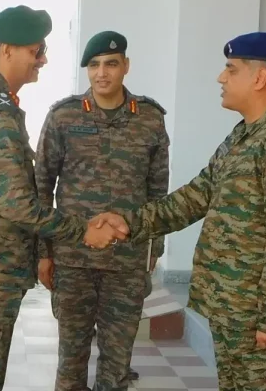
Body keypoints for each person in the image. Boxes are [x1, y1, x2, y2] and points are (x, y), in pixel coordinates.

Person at [95, 31, 266, 391]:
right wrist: (129, 222)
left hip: (257, 316)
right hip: (232, 310)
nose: (221, 77)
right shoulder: (244, 136)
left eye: (231, 70)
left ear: (259, 78)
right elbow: (194, 197)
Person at [0, 6, 127, 391]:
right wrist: (81, 231)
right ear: (7, 49)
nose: (43, 60)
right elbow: (16, 204)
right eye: (36, 51)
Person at [35, 30, 170, 391]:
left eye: (111, 63)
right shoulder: (64, 117)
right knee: (71, 358)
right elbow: (41, 188)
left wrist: (152, 250)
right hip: (72, 259)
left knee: (117, 361)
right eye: (93, 65)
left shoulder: (150, 119)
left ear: (125, 66)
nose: (102, 73)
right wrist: (43, 254)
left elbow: (158, 194)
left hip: (127, 263)